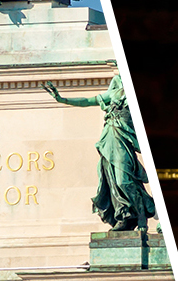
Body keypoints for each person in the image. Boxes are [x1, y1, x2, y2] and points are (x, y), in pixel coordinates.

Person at [44, 75, 156, 230]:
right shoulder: (113, 94)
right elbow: (87, 101)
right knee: (111, 180)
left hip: (124, 139)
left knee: (123, 181)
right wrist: (62, 99)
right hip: (109, 138)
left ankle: (141, 216)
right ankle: (124, 215)